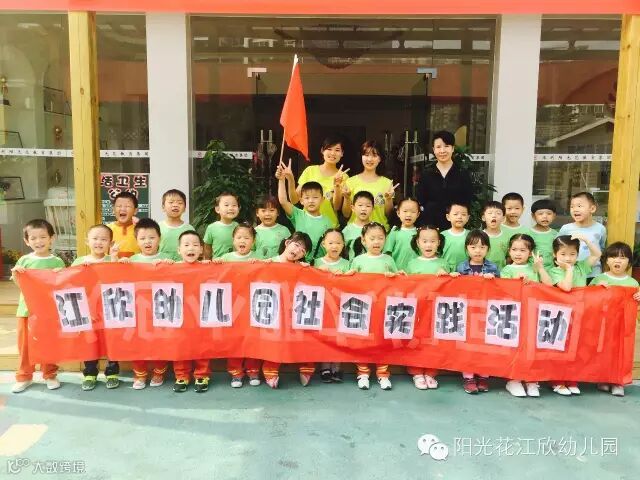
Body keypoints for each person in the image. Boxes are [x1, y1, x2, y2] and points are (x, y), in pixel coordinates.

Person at [11, 219, 65, 394]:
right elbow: (21, 286)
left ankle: (50, 374)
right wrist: (17, 275)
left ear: (52, 238)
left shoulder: (57, 262)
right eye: (33, 238)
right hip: (27, 310)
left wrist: (60, 275)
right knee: (25, 346)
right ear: (27, 241)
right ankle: (24, 376)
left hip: (49, 311)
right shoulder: (24, 261)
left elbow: (62, 286)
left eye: (43, 237)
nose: (38, 241)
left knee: (48, 343)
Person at [119, 218, 174, 389]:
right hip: (139, 310)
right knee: (138, 342)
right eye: (142, 238)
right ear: (137, 241)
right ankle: (140, 374)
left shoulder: (168, 258)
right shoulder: (132, 260)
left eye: (152, 237)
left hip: (162, 309)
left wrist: (171, 265)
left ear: (159, 238)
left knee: (161, 341)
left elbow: (180, 277)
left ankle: (159, 372)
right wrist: (120, 264)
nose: (147, 242)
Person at [351, 222, 402, 391]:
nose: (376, 242)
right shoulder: (357, 260)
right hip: (363, 309)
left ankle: (383, 373)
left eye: (380, 238)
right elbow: (349, 284)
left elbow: (398, 281)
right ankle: (363, 373)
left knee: (382, 340)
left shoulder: (389, 259)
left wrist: (395, 276)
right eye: (372, 238)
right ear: (363, 240)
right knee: (361, 341)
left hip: (383, 308)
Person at [548, 234, 601, 396]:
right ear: (554, 254)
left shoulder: (581, 267)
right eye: (563, 254)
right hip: (560, 315)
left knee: (577, 348)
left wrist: (586, 240)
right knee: (559, 347)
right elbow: (566, 287)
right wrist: (569, 270)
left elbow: (597, 254)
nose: (568, 258)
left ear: (578, 254)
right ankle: (557, 380)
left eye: (572, 254)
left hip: (580, 314)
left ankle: (571, 378)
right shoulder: (554, 271)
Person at [500, 234, 552, 398]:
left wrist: (540, 268)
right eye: (514, 249)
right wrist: (516, 282)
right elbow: (503, 291)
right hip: (514, 316)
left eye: (523, 250)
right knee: (514, 347)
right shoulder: (507, 270)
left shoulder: (534, 268)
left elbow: (549, 285)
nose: (518, 253)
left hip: (533, 314)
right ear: (509, 251)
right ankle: (513, 379)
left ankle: (531, 379)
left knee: (531, 348)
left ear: (530, 252)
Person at [261, 232, 315, 389]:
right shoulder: (269, 262)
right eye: (296, 245)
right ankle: (270, 370)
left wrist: (309, 271)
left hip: (295, 311)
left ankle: (306, 366)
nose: (297, 251)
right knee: (273, 339)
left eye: (302, 251)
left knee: (305, 334)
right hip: (273, 311)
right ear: (287, 243)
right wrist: (258, 265)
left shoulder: (302, 268)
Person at [71, 224, 119, 391]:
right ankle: (90, 373)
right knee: (89, 341)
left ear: (110, 243)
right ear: (87, 241)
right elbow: (67, 281)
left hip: (109, 309)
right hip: (87, 309)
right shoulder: (79, 262)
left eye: (104, 239)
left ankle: (112, 372)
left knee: (111, 340)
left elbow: (118, 280)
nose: (99, 242)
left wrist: (115, 260)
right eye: (95, 238)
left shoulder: (112, 260)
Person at [590, 242, 640, 397]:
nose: (617, 260)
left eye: (622, 257)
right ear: (606, 260)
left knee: (621, 352)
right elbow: (588, 300)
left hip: (623, 326)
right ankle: (603, 378)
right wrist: (597, 289)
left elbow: (636, 306)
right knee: (603, 352)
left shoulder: (632, 283)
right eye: (613, 257)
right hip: (603, 325)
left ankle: (618, 382)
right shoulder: (599, 279)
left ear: (629, 261)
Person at [405, 225, 450, 389]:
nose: (428, 245)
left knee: (434, 340)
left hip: (436, 311)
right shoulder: (411, 264)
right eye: (424, 241)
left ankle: (431, 372)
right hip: (417, 310)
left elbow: (451, 285)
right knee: (416, 340)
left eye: (432, 241)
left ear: (439, 243)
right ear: (418, 243)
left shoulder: (444, 263)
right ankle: (416, 372)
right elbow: (405, 285)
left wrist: (448, 275)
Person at [456, 230, 499, 394]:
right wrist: (454, 278)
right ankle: (468, 377)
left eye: (482, 247)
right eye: (473, 247)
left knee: (485, 345)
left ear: (488, 249)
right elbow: (455, 290)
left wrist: (493, 281)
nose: (478, 251)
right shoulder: (461, 267)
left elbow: (502, 290)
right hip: (467, 313)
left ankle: (483, 376)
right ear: (467, 248)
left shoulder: (493, 267)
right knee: (467, 345)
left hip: (487, 313)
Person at [219, 223, 263, 387]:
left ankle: (253, 370)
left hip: (252, 307)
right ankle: (235, 372)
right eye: (239, 237)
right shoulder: (225, 258)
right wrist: (215, 264)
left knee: (253, 338)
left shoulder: (258, 257)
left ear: (253, 241)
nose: (242, 241)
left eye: (246, 238)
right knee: (234, 339)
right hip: (232, 306)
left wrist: (260, 264)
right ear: (233, 240)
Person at [172, 230, 213, 393]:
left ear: (201, 249)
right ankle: (181, 375)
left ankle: (202, 374)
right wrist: (161, 265)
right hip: (180, 316)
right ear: (179, 250)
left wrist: (218, 265)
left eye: (195, 245)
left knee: (203, 345)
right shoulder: (171, 268)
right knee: (180, 346)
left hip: (201, 316)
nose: (191, 248)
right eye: (186, 245)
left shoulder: (208, 268)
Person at [313, 228, 353, 383]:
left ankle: (337, 365)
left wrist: (346, 276)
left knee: (340, 336)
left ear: (343, 245)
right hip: (322, 306)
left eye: (338, 243)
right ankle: (324, 366)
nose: (334, 246)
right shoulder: (317, 262)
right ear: (324, 244)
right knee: (325, 336)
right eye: (330, 243)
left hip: (341, 306)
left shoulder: (347, 263)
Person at [282, 136, 349, 228]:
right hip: (307, 224)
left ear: (342, 153)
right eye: (329, 149)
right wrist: (290, 179)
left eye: (337, 150)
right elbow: (294, 200)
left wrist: (337, 186)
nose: (333, 153)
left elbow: (336, 207)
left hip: (329, 226)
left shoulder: (343, 176)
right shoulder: (310, 171)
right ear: (322, 151)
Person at [416, 130, 473, 231]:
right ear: (433, 150)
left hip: (455, 226)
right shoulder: (426, 173)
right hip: (431, 225)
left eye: (446, 146)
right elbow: (421, 200)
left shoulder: (462, 173)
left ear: (452, 148)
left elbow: (467, 200)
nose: (442, 151)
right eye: (438, 147)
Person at [277, 163, 332, 259]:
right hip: (298, 261)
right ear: (301, 201)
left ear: (322, 200)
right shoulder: (298, 214)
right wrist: (282, 180)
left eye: (315, 197)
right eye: (307, 198)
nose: (311, 201)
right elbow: (283, 201)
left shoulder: (328, 221)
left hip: (318, 263)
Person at [341, 140, 397, 231]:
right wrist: (347, 198)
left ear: (380, 159)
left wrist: (389, 199)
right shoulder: (350, 182)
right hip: (356, 232)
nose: (370, 159)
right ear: (361, 157)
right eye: (366, 155)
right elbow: (346, 214)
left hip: (379, 233)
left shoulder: (387, 183)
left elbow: (389, 215)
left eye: (374, 155)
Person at [558, 191, 607, 281]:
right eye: (572, 207)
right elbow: (557, 249)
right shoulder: (566, 228)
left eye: (579, 206)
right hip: (572, 273)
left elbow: (602, 249)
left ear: (592, 209)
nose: (575, 209)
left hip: (594, 273)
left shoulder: (600, 228)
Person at [384, 197, 420, 271]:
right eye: (405, 211)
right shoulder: (394, 232)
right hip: (397, 272)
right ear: (398, 213)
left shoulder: (420, 233)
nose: (408, 214)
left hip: (415, 272)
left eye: (413, 212)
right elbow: (387, 253)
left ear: (418, 214)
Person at [159, 189, 194, 261]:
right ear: (163, 207)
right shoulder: (157, 227)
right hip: (163, 265)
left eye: (180, 203)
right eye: (171, 202)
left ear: (184, 208)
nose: (175, 205)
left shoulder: (189, 229)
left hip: (183, 265)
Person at [203, 192, 240, 259]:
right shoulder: (212, 228)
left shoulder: (238, 227)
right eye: (226, 205)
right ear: (217, 209)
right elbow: (207, 248)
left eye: (234, 205)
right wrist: (207, 261)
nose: (231, 208)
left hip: (235, 262)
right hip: (217, 263)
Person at [254, 195, 291, 259]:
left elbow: (290, 250)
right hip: (259, 264)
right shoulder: (253, 232)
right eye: (263, 210)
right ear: (257, 213)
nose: (267, 214)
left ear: (278, 212)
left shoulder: (284, 230)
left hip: (279, 264)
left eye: (271, 210)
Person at [342, 190, 374, 260]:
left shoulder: (376, 228)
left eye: (368, 206)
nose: (363, 209)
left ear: (373, 209)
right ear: (353, 208)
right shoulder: (347, 230)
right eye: (360, 205)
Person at [107, 191, 139, 259]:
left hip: (137, 265)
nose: (123, 209)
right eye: (119, 206)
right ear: (113, 209)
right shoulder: (107, 230)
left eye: (127, 206)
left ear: (135, 211)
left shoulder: (141, 230)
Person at [528, 198, 558, 269]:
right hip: (533, 270)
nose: (545, 216)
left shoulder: (556, 234)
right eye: (540, 214)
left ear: (554, 216)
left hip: (551, 271)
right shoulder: (528, 233)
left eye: (549, 213)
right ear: (533, 216)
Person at [441, 202, 470, 272]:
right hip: (446, 272)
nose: (459, 217)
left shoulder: (471, 235)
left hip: (467, 272)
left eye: (463, 214)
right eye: (455, 214)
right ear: (448, 217)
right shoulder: (442, 235)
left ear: (468, 218)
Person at [483, 201, 509, 270]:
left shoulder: (507, 237)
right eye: (490, 213)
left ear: (503, 218)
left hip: (501, 273)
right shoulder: (478, 236)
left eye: (498, 213)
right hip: (482, 273)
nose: (494, 216)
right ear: (483, 217)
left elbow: (509, 257)